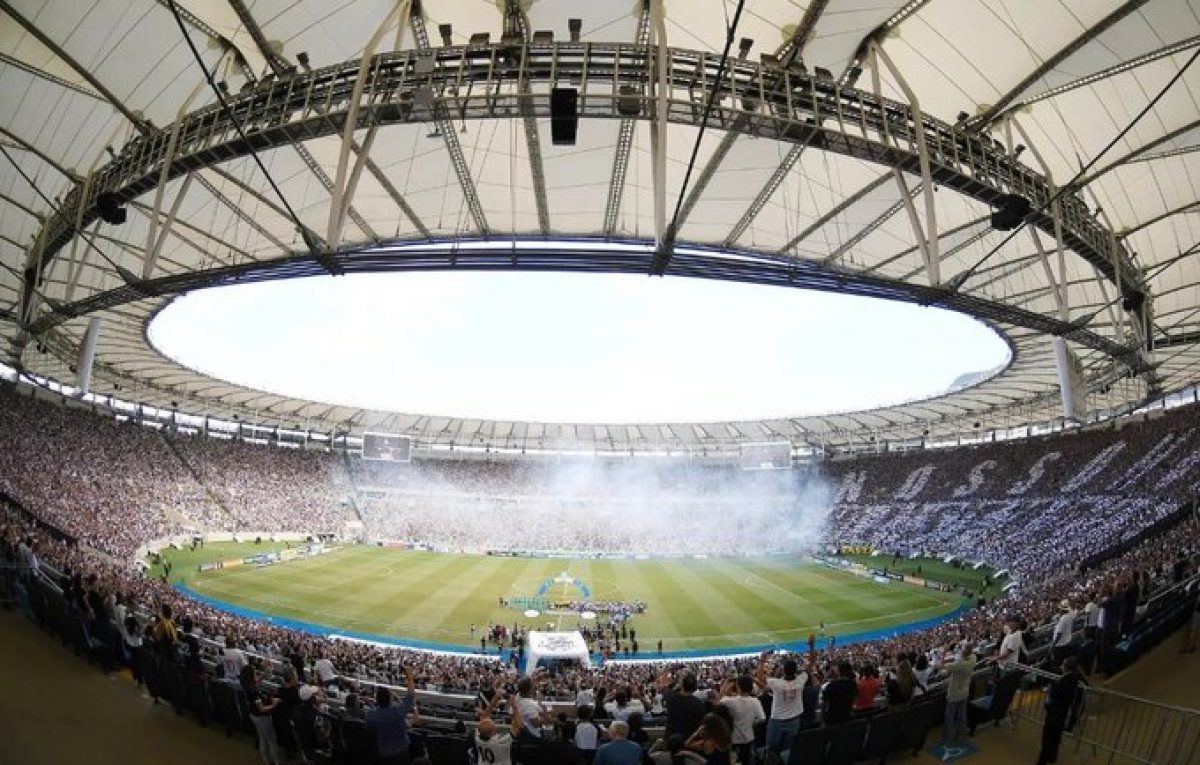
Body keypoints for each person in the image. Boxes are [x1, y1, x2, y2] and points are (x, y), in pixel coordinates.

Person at [1037, 657, 1086, 765]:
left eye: (1063, 665)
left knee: (1048, 738)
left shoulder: (1066, 681)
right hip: (1062, 713)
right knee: (1055, 737)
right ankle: (1052, 757)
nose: (1061, 667)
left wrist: (1052, 687)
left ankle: (1042, 761)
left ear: (1068, 668)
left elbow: (1056, 694)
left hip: (1055, 712)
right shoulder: (1074, 679)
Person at [755, 651, 806, 756]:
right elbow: (811, 665)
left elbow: (760, 678)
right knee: (787, 751)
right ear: (796, 671)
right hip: (794, 720)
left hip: (777, 721)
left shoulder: (776, 683)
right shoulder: (800, 681)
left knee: (772, 751)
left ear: (783, 670)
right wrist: (812, 645)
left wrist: (762, 661)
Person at [367, 665, 417, 765]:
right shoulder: (397, 712)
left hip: (383, 754)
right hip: (401, 753)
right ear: (390, 699)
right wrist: (410, 678)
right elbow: (410, 695)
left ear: (377, 700)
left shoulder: (371, 715)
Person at [716, 675, 764, 765]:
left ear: (738, 687)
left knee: (733, 761)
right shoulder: (755, 701)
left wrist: (727, 683)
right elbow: (762, 718)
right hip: (748, 737)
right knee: (746, 760)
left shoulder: (731, 701)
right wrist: (751, 722)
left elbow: (718, 700)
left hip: (734, 738)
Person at [240, 664, 283, 765]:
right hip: (261, 717)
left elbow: (256, 682)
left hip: (253, 715)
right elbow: (262, 709)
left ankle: (265, 760)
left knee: (262, 738)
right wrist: (274, 704)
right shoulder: (253, 691)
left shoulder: (247, 684)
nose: (256, 673)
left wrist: (264, 673)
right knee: (272, 740)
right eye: (254, 672)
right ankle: (276, 762)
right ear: (251, 675)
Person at [941, 644, 976, 754]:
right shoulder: (973, 658)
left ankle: (948, 738)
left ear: (963, 652)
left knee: (950, 716)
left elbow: (942, 669)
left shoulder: (959, 664)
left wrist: (943, 654)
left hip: (954, 693)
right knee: (962, 715)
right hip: (965, 691)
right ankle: (961, 736)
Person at [476, 692, 521, 765]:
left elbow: (484, 717)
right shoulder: (501, 741)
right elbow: (518, 726)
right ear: (493, 732)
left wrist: (494, 699)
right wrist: (514, 705)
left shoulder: (477, 737)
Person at [660, 670, 706, 740]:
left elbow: (662, 684)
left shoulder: (671, 698)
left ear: (682, 685)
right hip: (691, 741)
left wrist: (666, 670)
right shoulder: (699, 704)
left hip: (672, 742)